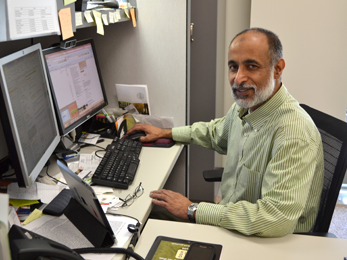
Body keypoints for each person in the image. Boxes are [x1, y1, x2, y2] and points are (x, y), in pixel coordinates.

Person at [126, 28, 324, 237]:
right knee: (144, 222)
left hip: (268, 240)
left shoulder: (294, 132)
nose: (238, 78)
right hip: (233, 221)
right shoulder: (245, 108)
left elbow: (274, 219)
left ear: (278, 68)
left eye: (251, 66)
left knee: (146, 231)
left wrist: (193, 210)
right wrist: (167, 133)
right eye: (233, 67)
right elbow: (215, 133)